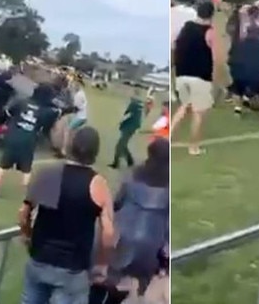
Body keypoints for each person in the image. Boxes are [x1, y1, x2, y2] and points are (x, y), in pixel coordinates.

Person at [19, 127, 115, 304]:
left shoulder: (48, 174)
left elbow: (23, 213)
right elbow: (108, 234)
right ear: (95, 153)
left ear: (71, 147)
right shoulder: (98, 184)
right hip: (73, 267)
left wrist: (26, 235)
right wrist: (102, 264)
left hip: (40, 258)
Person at [89, 138, 169, 304]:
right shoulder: (168, 186)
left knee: (107, 277)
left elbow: (117, 203)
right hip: (151, 247)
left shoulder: (132, 175)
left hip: (124, 240)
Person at [0, 84, 76, 197]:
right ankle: (28, 195)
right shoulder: (46, 111)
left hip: (12, 137)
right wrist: (73, 109)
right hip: (28, 142)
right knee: (26, 169)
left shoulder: (22, 102)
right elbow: (61, 111)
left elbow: (6, 114)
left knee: (3, 165)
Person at [171, 2, 217, 156]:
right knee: (198, 113)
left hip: (181, 74)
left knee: (184, 107)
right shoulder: (209, 32)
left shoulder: (186, 27)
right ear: (211, 15)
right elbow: (215, 53)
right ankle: (193, 147)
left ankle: (167, 138)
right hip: (200, 77)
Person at [108, 88, 145, 169]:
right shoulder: (140, 103)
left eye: (130, 92)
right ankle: (130, 160)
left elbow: (128, 115)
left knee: (119, 145)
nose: (129, 94)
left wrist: (119, 122)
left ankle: (116, 163)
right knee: (124, 144)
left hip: (129, 127)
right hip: (133, 127)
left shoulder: (133, 104)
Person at [60, 75, 87, 158]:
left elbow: (76, 108)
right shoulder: (81, 93)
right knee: (72, 132)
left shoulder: (78, 95)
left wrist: (64, 111)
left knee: (67, 130)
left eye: (75, 84)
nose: (73, 85)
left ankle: (63, 151)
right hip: (82, 117)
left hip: (80, 117)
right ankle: (73, 149)